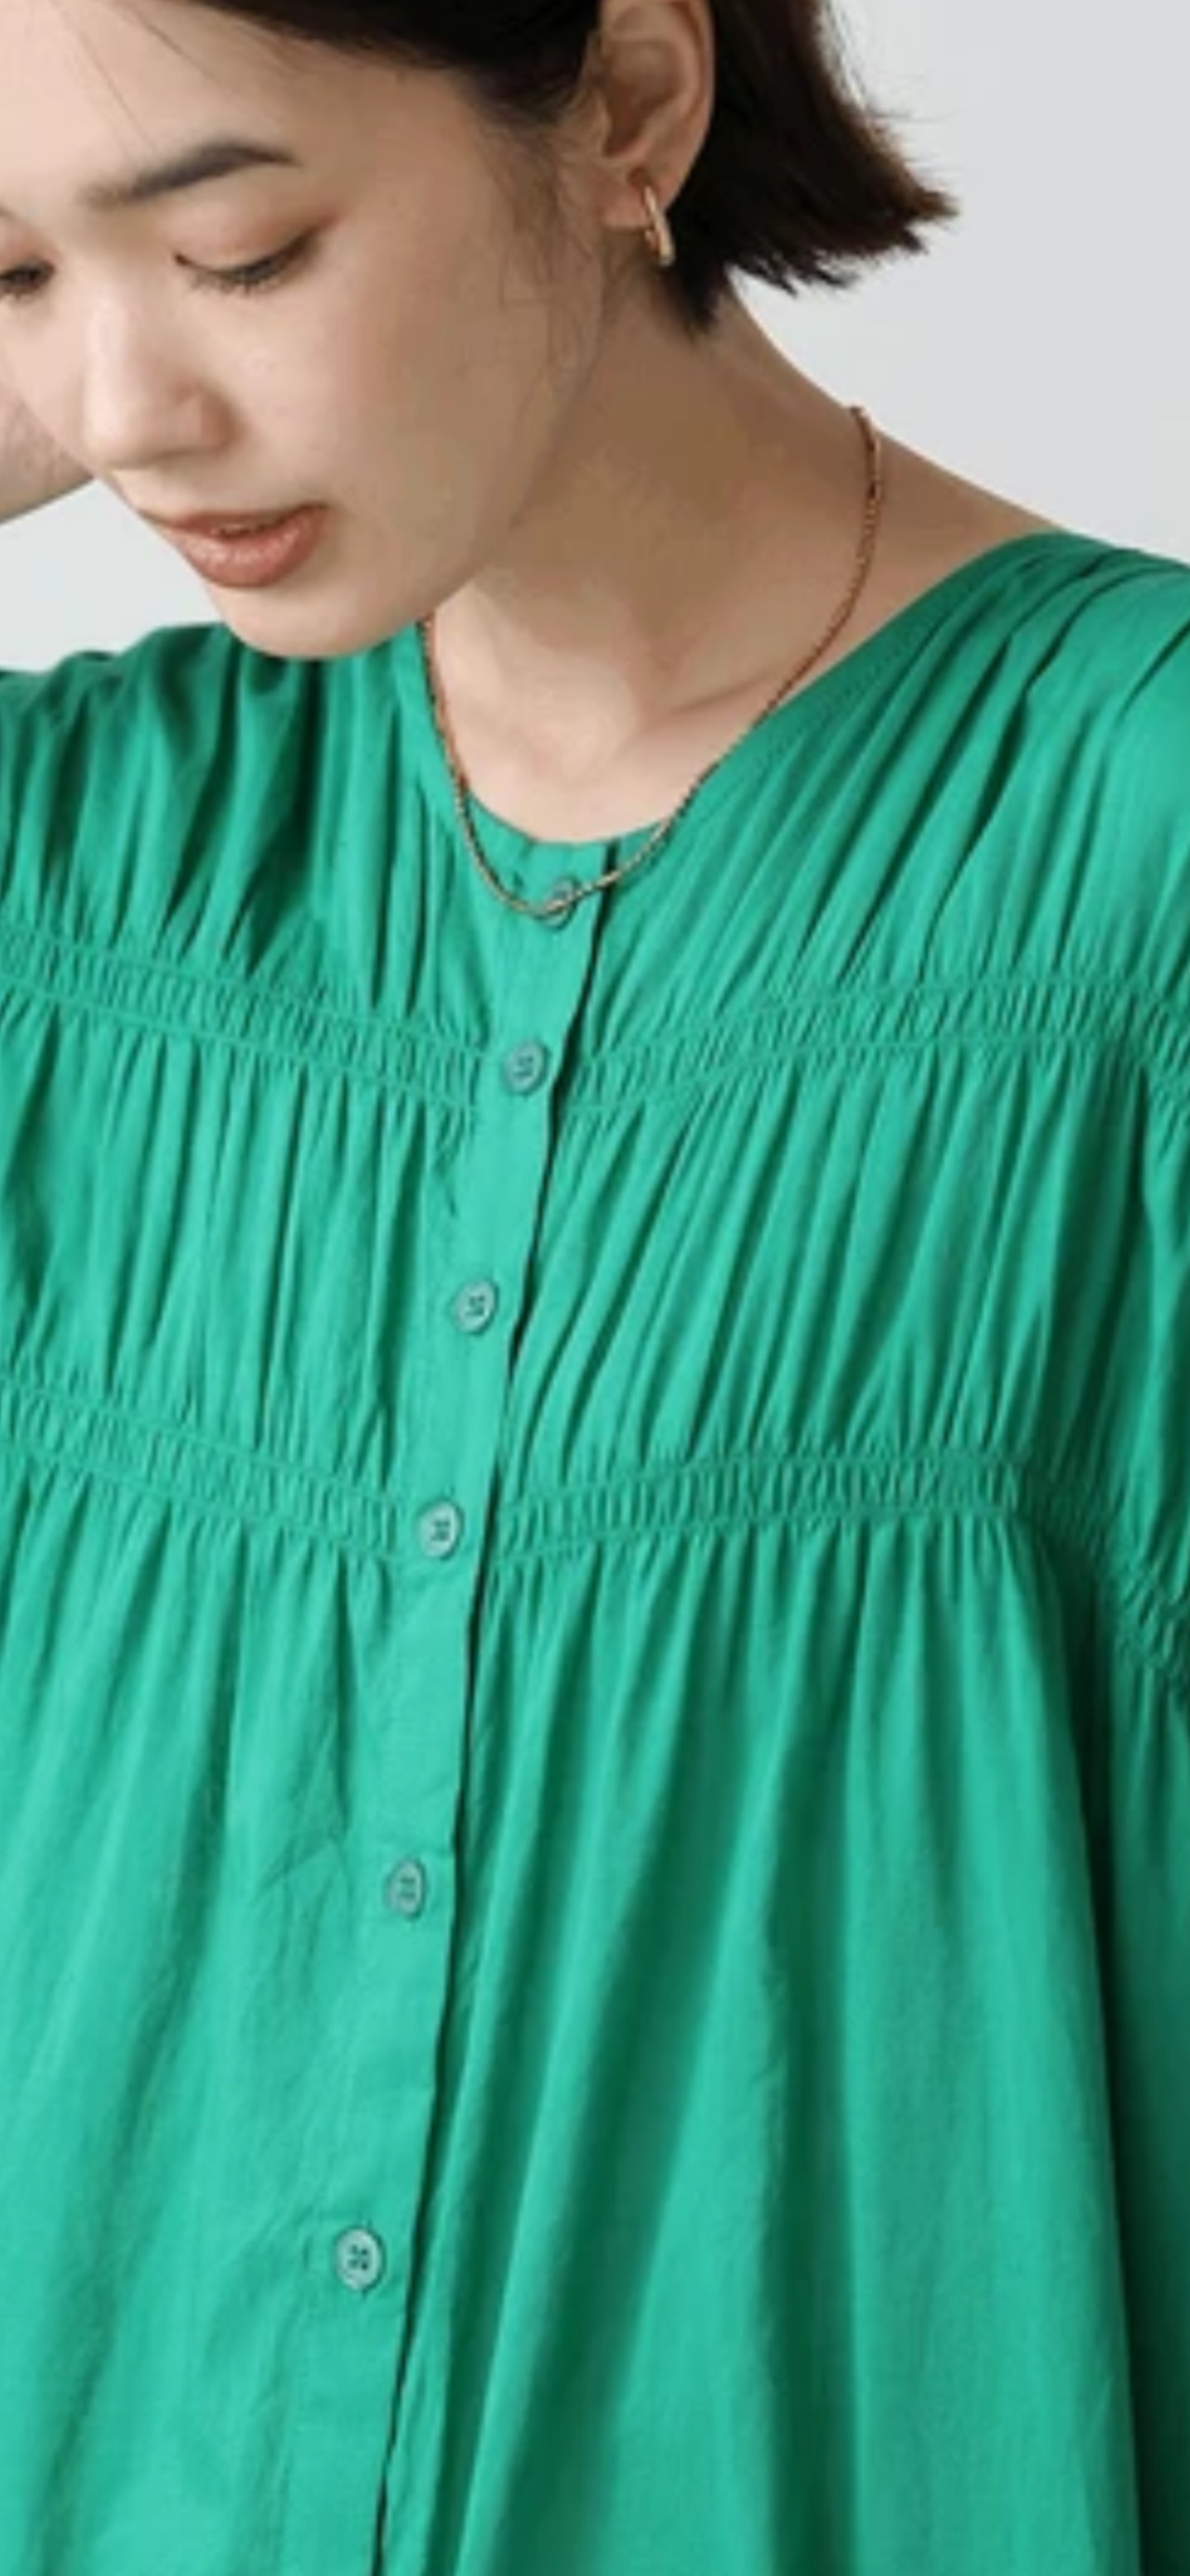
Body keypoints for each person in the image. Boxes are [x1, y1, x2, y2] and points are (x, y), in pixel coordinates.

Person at [0, 0, 1185, 2569]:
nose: (116, 410)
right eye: (6, 280)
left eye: (238, 250)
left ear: (633, 104)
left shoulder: (1139, 866)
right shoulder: (66, 881)